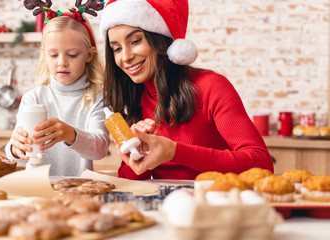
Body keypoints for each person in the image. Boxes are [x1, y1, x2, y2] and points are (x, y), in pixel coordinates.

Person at [99, 0, 273, 180]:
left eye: (135, 41)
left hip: (216, 203)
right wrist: (137, 153)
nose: (125, 57)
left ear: (159, 39)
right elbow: (132, 183)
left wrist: (174, 152)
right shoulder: (135, 98)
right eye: (117, 49)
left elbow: (261, 163)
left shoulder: (211, 87)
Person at [5, 2, 110, 176]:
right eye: (54, 55)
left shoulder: (97, 99)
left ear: (89, 55)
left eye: (72, 55)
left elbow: (99, 149)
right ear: (45, 54)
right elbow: (15, 154)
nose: (62, 62)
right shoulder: (34, 98)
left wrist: (70, 134)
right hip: (38, 189)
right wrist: (15, 148)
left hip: (79, 192)